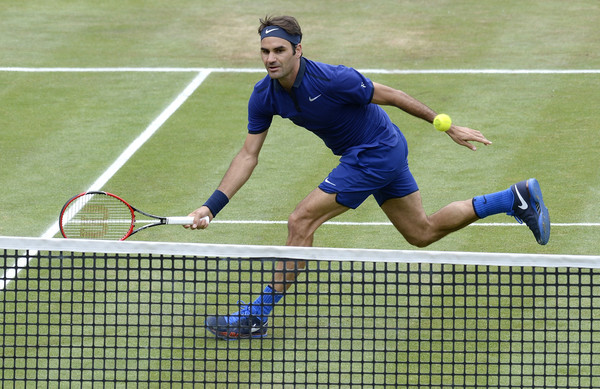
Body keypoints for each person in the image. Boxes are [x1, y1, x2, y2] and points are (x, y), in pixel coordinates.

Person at [186, 15, 550, 340]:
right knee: (421, 232)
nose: (271, 59)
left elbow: (391, 95)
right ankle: (511, 198)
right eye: (265, 51)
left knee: (301, 220)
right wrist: (211, 206)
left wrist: (447, 125)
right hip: (376, 151)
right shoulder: (264, 95)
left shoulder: (332, 78)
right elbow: (249, 154)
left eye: (279, 50)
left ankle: (257, 315)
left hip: (376, 150)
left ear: (298, 50)